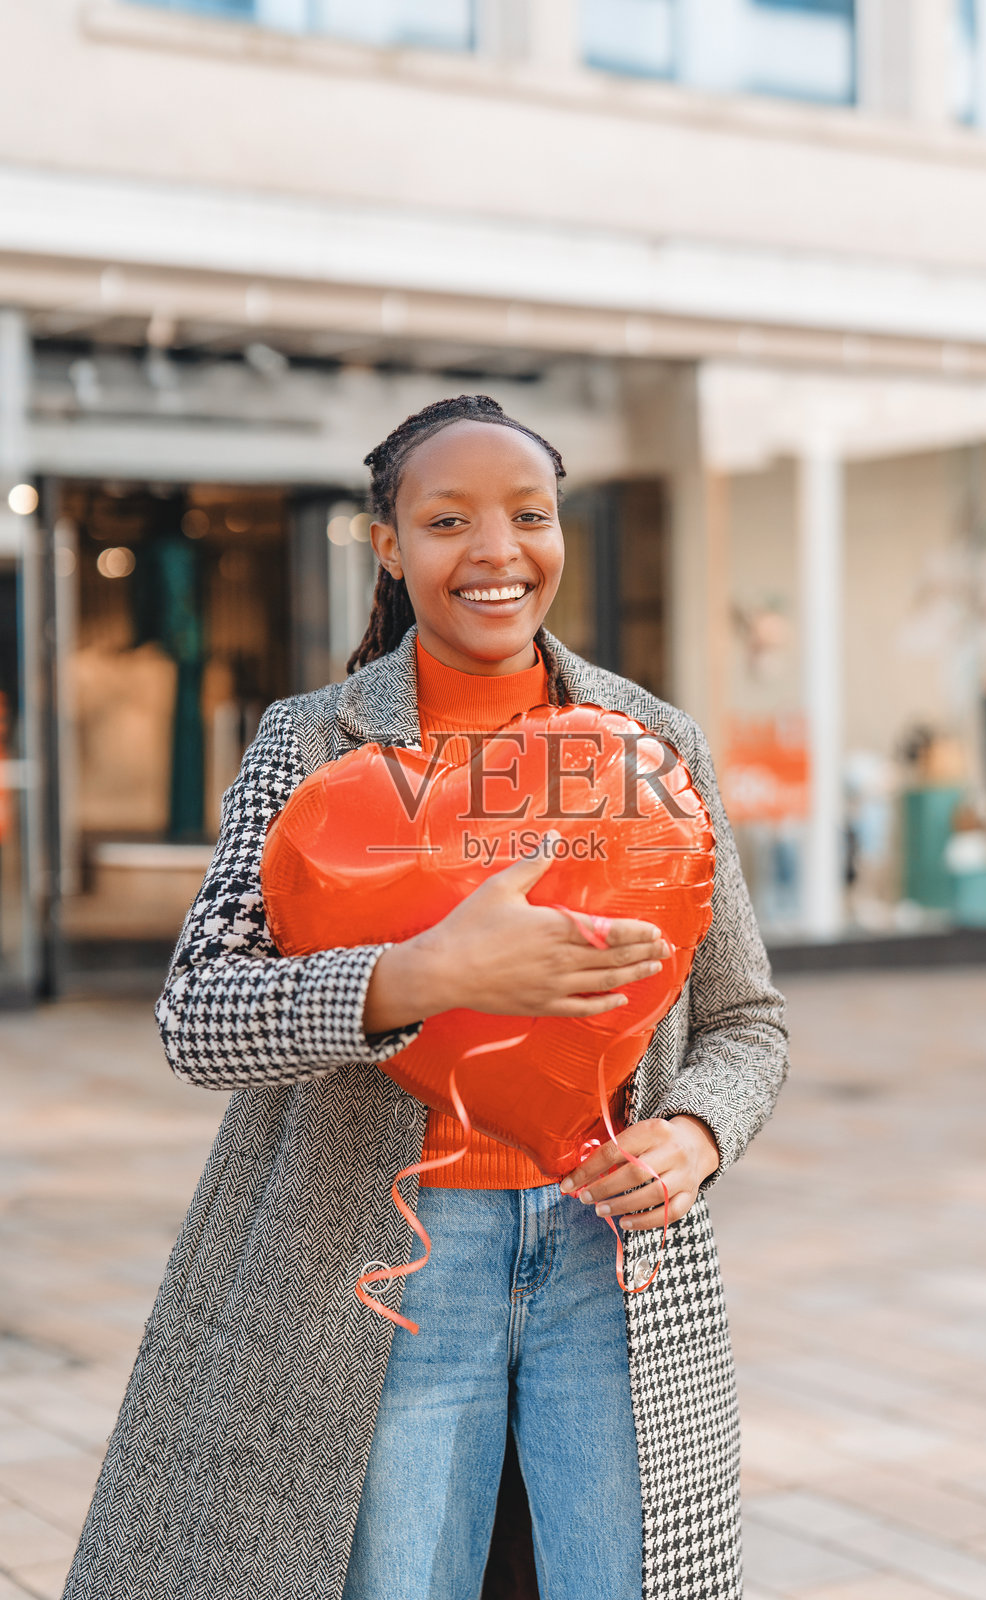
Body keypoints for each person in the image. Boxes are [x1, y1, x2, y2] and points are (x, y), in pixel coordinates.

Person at [61, 394, 789, 1600]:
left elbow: (744, 1020)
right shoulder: (310, 743)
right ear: (389, 544)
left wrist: (694, 1134)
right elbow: (197, 1014)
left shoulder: (651, 739)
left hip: (610, 1263)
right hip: (386, 1265)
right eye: (447, 520)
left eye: (528, 515)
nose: (496, 552)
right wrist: (424, 973)